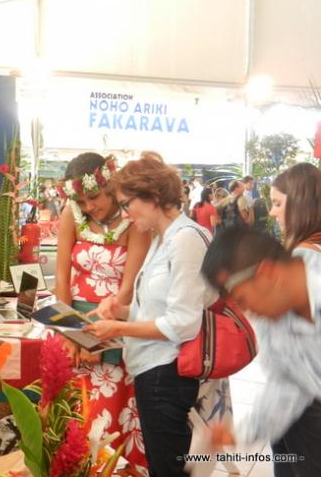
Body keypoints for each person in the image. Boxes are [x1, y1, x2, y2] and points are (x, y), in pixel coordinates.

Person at [85, 151, 219, 476]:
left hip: (167, 373)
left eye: (127, 204)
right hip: (151, 369)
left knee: (167, 468)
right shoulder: (162, 240)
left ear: (153, 196)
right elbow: (154, 308)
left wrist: (118, 328)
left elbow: (182, 323)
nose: (125, 214)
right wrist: (121, 311)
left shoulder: (185, 240)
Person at [55, 152, 151, 473]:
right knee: (76, 416)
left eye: (93, 197)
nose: (88, 207)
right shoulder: (72, 214)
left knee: (110, 414)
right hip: (75, 327)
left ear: (109, 184)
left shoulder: (134, 220)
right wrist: (72, 334)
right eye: (81, 202)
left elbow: (129, 287)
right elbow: (61, 277)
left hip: (115, 327)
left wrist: (96, 336)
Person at [202, 227, 321, 477]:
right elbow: (288, 384)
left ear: (267, 273)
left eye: (242, 300)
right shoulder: (273, 324)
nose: (246, 313)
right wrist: (242, 432)